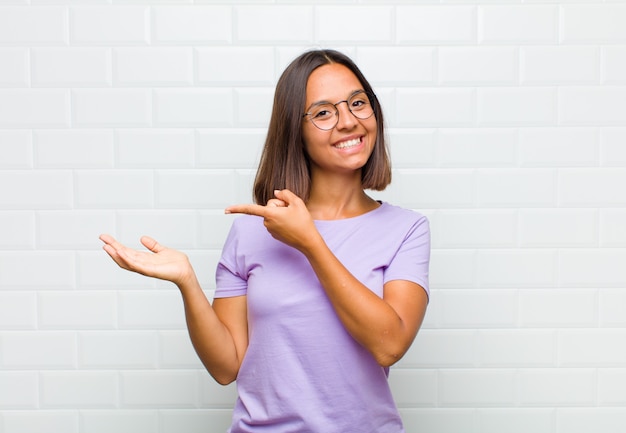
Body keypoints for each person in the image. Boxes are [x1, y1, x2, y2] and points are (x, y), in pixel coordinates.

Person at [100, 49, 430, 433]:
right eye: (323, 112)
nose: (348, 121)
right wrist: (187, 282)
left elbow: (389, 344)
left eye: (358, 103)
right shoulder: (251, 231)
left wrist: (310, 242)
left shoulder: (406, 229)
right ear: (296, 130)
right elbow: (226, 367)